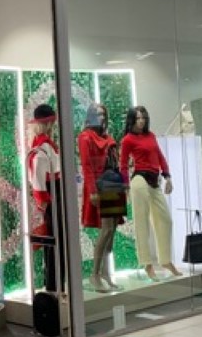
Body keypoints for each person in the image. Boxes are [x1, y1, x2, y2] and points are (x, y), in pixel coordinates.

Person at [120, 106, 181, 281]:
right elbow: (123, 164)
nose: (141, 121)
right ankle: (147, 263)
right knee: (142, 222)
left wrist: (168, 176)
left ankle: (165, 260)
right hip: (139, 179)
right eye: (138, 118)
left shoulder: (151, 136)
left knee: (165, 220)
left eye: (143, 118)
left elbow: (160, 157)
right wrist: (125, 187)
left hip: (155, 180)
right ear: (132, 120)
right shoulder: (128, 140)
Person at [78, 103, 123, 292]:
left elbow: (115, 162)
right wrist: (93, 190)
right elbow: (87, 166)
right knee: (106, 230)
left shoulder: (106, 137)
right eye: (98, 114)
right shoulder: (85, 137)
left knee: (112, 231)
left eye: (104, 114)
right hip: (101, 184)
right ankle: (94, 274)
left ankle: (105, 272)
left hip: (114, 183)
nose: (102, 117)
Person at [26, 104, 64, 292]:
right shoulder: (43, 148)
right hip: (51, 194)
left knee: (54, 239)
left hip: (51, 193)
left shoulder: (41, 146)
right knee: (55, 239)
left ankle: (53, 281)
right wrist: (44, 202)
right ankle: (54, 283)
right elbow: (38, 180)